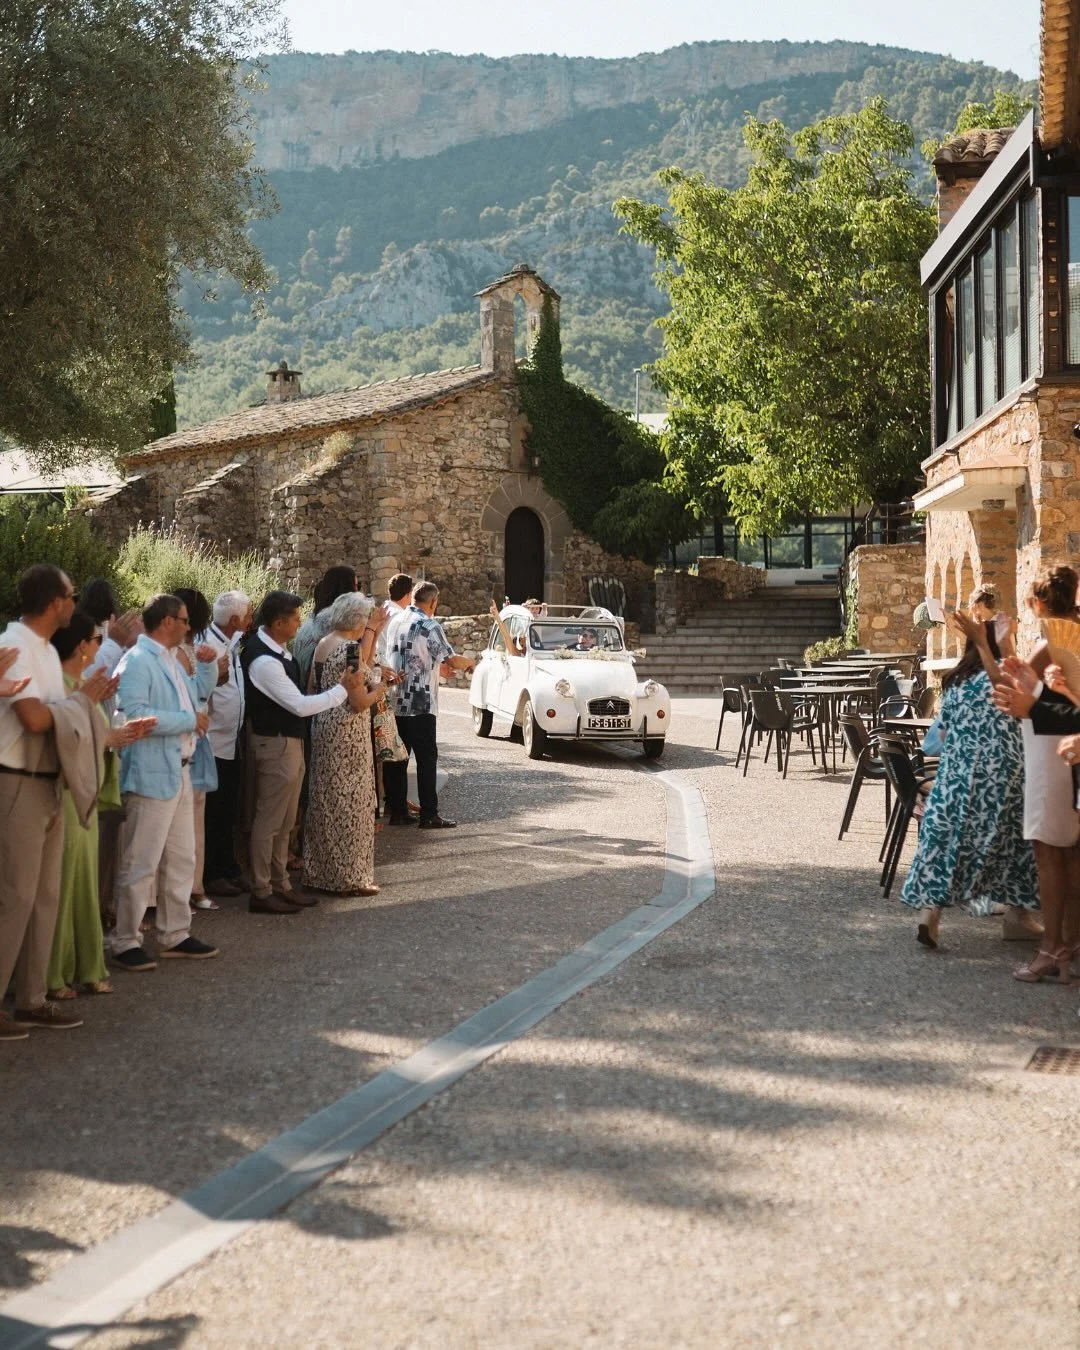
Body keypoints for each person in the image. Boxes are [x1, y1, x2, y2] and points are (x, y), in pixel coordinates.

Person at [0, 565, 116, 1039]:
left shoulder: (45, 650)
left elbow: (53, 715)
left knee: (46, 897)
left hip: (49, 781)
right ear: (55, 603)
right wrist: (82, 702)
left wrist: (80, 705)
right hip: (18, 781)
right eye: (70, 595)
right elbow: (31, 719)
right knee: (16, 897)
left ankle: (32, 998)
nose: (75, 603)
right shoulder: (15, 645)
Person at [969, 566, 1080, 982]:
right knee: (1069, 854)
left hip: (1050, 750)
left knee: (1049, 854)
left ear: (1038, 602)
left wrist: (986, 642)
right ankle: (1069, 943)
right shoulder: (1073, 634)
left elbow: (1008, 683)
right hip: (1063, 746)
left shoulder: (1054, 638)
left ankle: (1052, 949)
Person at [899, 620, 1039, 948]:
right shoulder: (1005, 669)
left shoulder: (955, 681)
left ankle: (930, 915)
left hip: (955, 774)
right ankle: (1018, 916)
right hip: (1004, 771)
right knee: (1019, 840)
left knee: (947, 842)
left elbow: (942, 735)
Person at [46, 611, 155, 999]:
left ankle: (86, 966)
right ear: (81, 645)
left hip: (86, 794)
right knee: (65, 885)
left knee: (85, 884)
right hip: (65, 794)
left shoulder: (80, 683)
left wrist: (119, 735)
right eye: (96, 638)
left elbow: (92, 733)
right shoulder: (57, 684)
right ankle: (55, 973)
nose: (99, 645)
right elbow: (65, 737)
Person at [112, 593, 220, 971]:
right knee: (141, 860)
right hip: (152, 771)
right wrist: (189, 722)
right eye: (185, 620)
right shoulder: (138, 661)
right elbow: (135, 716)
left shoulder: (172, 660)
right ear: (167, 622)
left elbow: (196, 700)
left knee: (181, 858)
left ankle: (176, 932)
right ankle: (125, 939)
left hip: (180, 768)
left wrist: (206, 669)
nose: (190, 627)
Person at [241, 589, 367, 914]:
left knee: (284, 823)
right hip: (275, 742)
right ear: (278, 622)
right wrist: (343, 690)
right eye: (295, 619)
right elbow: (298, 705)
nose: (300, 624)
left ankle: (279, 883)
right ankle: (261, 888)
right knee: (269, 821)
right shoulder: (263, 660)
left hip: (288, 741)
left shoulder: (277, 651)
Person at [304, 594, 396, 896]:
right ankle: (349, 878)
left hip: (323, 726)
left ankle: (319, 872)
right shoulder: (350, 650)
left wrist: (376, 632)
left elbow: (313, 687)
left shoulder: (324, 643)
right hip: (348, 733)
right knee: (352, 805)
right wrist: (381, 689)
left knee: (326, 802)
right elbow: (359, 701)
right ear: (358, 619)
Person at [383, 581, 475, 829]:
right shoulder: (429, 625)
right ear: (433, 602)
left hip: (395, 699)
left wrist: (438, 669)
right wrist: (471, 661)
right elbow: (452, 660)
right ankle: (429, 814)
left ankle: (398, 811)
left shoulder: (396, 622)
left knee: (398, 759)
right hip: (420, 702)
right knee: (426, 759)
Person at [201, 590, 251, 897]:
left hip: (232, 739)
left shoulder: (229, 642)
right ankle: (212, 872)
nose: (250, 620)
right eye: (247, 615)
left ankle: (228, 866)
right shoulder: (207, 646)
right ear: (234, 620)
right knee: (214, 811)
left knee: (229, 807)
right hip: (214, 741)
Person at [173, 588, 218, 911]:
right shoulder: (180, 652)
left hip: (197, 737)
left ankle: (192, 887)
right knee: (187, 822)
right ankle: (191, 888)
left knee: (192, 819)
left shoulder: (188, 650)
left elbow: (203, 690)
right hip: (190, 736)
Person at [292, 565, 358, 689]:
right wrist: (372, 631)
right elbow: (355, 672)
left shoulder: (314, 621)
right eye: (355, 586)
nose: (358, 592)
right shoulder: (333, 624)